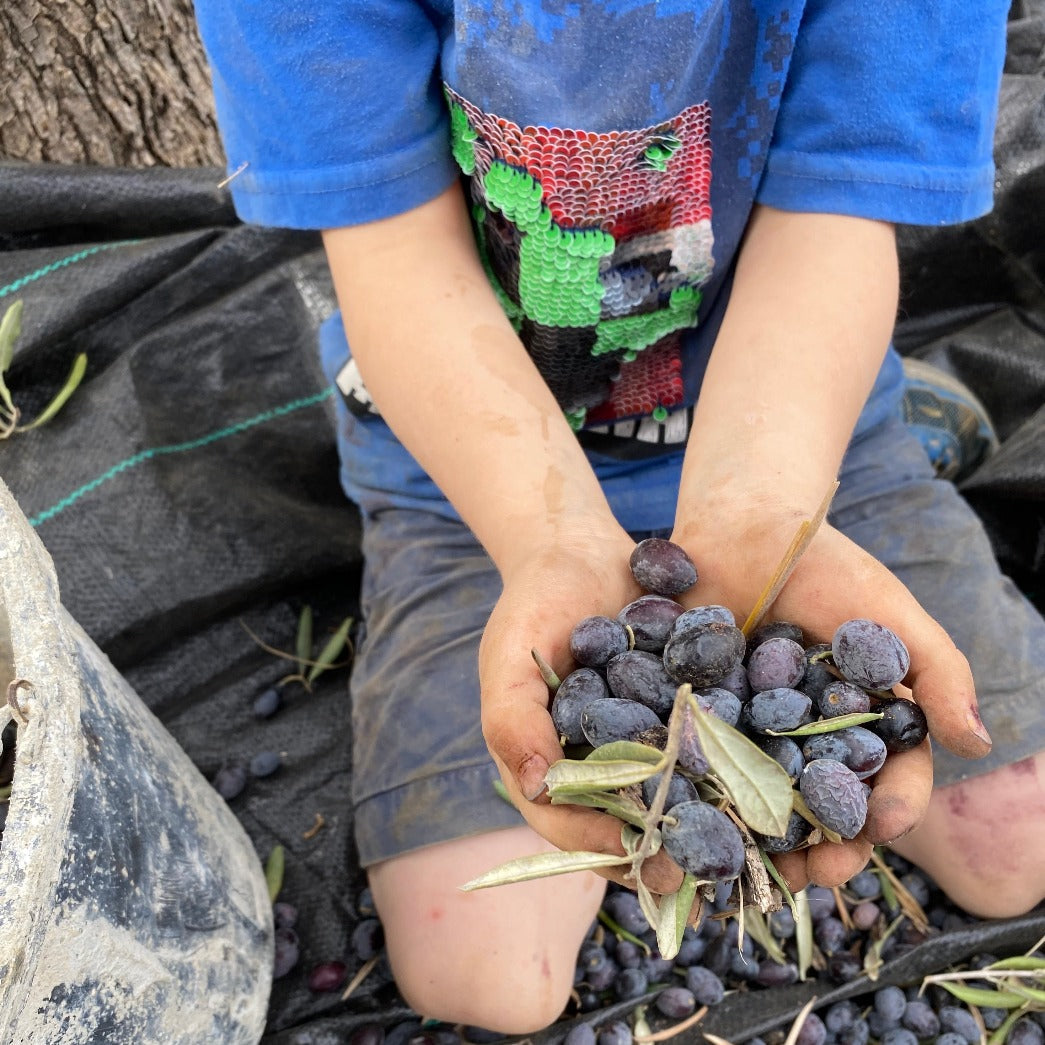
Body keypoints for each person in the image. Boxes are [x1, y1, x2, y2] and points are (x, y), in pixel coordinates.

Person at [192, 0, 1045, 1033]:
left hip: (797, 436)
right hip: (470, 476)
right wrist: (542, 540)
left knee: (1016, 849)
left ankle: (899, 418)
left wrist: (767, 504)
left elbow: (833, 214)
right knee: (486, 982)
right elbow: (392, 252)